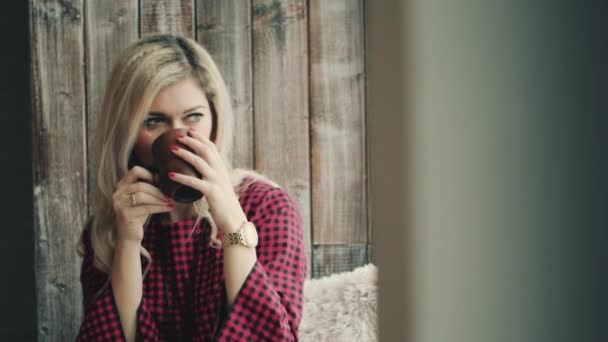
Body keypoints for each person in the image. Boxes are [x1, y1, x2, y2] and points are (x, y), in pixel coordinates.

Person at [75, 34, 306, 341]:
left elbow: (273, 336)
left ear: (215, 118)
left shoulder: (266, 207)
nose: (178, 136)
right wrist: (128, 243)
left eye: (193, 117)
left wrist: (232, 223)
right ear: (127, 132)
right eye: (154, 121)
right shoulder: (108, 228)